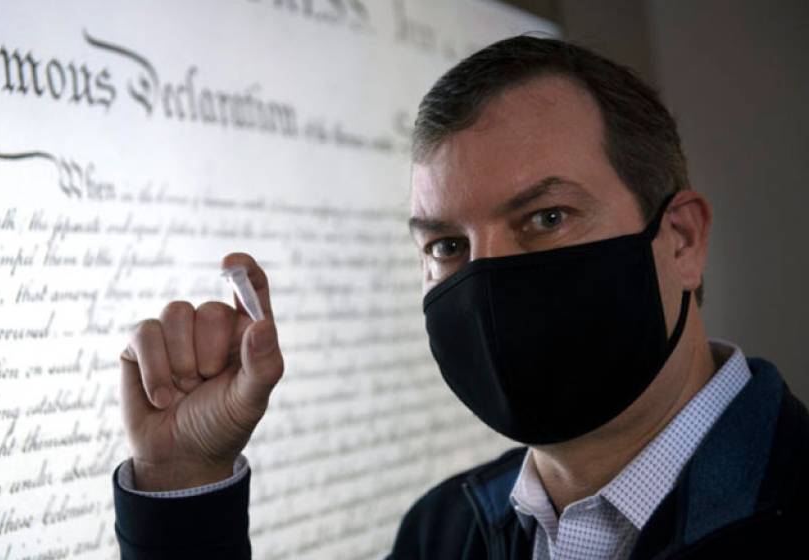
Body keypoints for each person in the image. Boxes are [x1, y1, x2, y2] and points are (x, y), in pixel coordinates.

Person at [112, 36, 809, 559]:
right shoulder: (440, 532)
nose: (488, 283)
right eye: (447, 245)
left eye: (545, 219)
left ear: (681, 241)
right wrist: (184, 484)